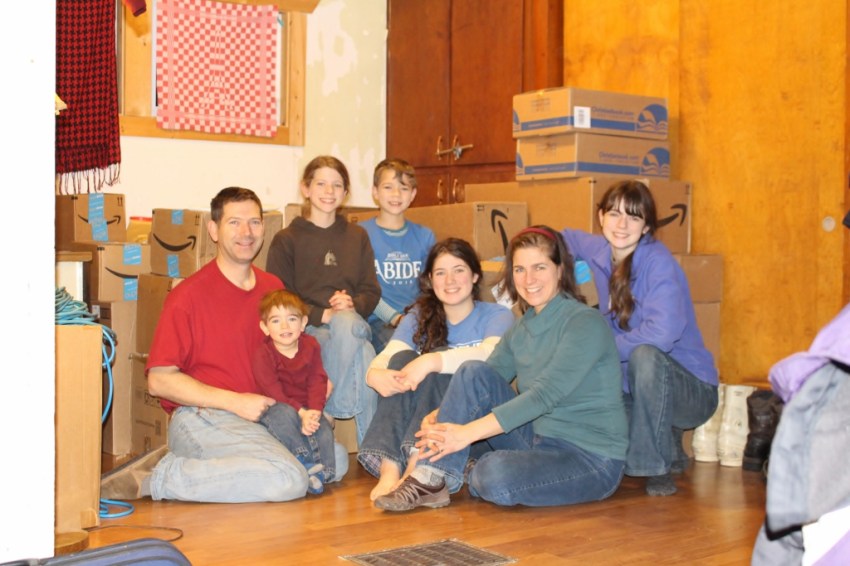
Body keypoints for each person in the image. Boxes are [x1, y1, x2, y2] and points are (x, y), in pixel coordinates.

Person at [101, 187, 347, 503]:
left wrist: (314, 389)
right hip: (205, 416)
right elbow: (159, 380)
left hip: (265, 416)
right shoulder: (187, 296)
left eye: (255, 223)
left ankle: (223, 466)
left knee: (334, 462)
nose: (246, 233)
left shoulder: (273, 288)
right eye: (234, 223)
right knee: (289, 479)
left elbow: (288, 357)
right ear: (214, 230)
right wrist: (235, 402)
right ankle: (159, 477)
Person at [374, 226, 627, 511]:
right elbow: (481, 381)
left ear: (559, 269)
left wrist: (465, 434)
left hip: (589, 458)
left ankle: (463, 471)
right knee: (472, 370)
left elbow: (544, 396)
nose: (528, 279)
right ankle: (430, 478)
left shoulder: (584, 322)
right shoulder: (522, 326)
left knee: (491, 473)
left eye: (539, 267)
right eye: (519, 269)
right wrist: (439, 416)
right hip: (536, 438)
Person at [560, 179, 719, 496]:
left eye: (633, 217)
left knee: (644, 354)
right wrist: (526, 251)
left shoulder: (658, 264)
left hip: (692, 391)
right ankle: (669, 444)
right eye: (614, 213)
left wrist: (601, 350)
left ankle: (653, 466)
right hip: (634, 388)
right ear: (600, 216)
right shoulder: (599, 249)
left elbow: (661, 335)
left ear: (646, 226)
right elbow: (561, 237)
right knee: (600, 423)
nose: (622, 224)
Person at [358, 238, 514, 501]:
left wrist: (430, 361)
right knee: (401, 360)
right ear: (430, 279)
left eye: (459, 270)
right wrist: (374, 375)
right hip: (423, 427)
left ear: (475, 275)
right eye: (440, 273)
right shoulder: (420, 315)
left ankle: (416, 468)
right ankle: (390, 469)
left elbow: (491, 357)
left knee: (439, 358)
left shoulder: (496, 314)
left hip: (471, 429)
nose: (450, 280)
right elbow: (390, 356)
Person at [266, 156, 381, 444]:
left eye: (337, 185)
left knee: (348, 324)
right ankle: (371, 449)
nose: (329, 191)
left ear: (345, 193)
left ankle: (324, 405)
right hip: (308, 329)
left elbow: (371, 290)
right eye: (321, 183)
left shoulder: (358, 236)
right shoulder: (287, 238)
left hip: (351, 321)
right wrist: (320, 315)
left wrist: (352, 304)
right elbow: (280, 298)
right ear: (306, 188)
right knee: (365, 351)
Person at [253, 289, 336, 495]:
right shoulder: (262, 354)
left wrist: (315, 411)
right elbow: (274, 392)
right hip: (278, 408)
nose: (284, 326)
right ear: (264, 327)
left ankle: (321, 473)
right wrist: (302, 412)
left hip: (306, 408)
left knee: (323, 428)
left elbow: (318, 380)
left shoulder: (311, 345)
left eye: (291, 319)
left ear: (303, 323)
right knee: (282, 413)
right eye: (275, 321)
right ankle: (303, 462)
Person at [360, 158, 436, 353]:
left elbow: (432, 287)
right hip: (379, 321)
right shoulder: (361, 234)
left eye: (404, 188)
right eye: (388, 187)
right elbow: (360, 289)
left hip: (419, 320)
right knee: (402, 356)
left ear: (413, 195)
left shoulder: (425, 236)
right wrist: (395, 318)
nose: (396, 194)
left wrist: (420, 318)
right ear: (375, 192)